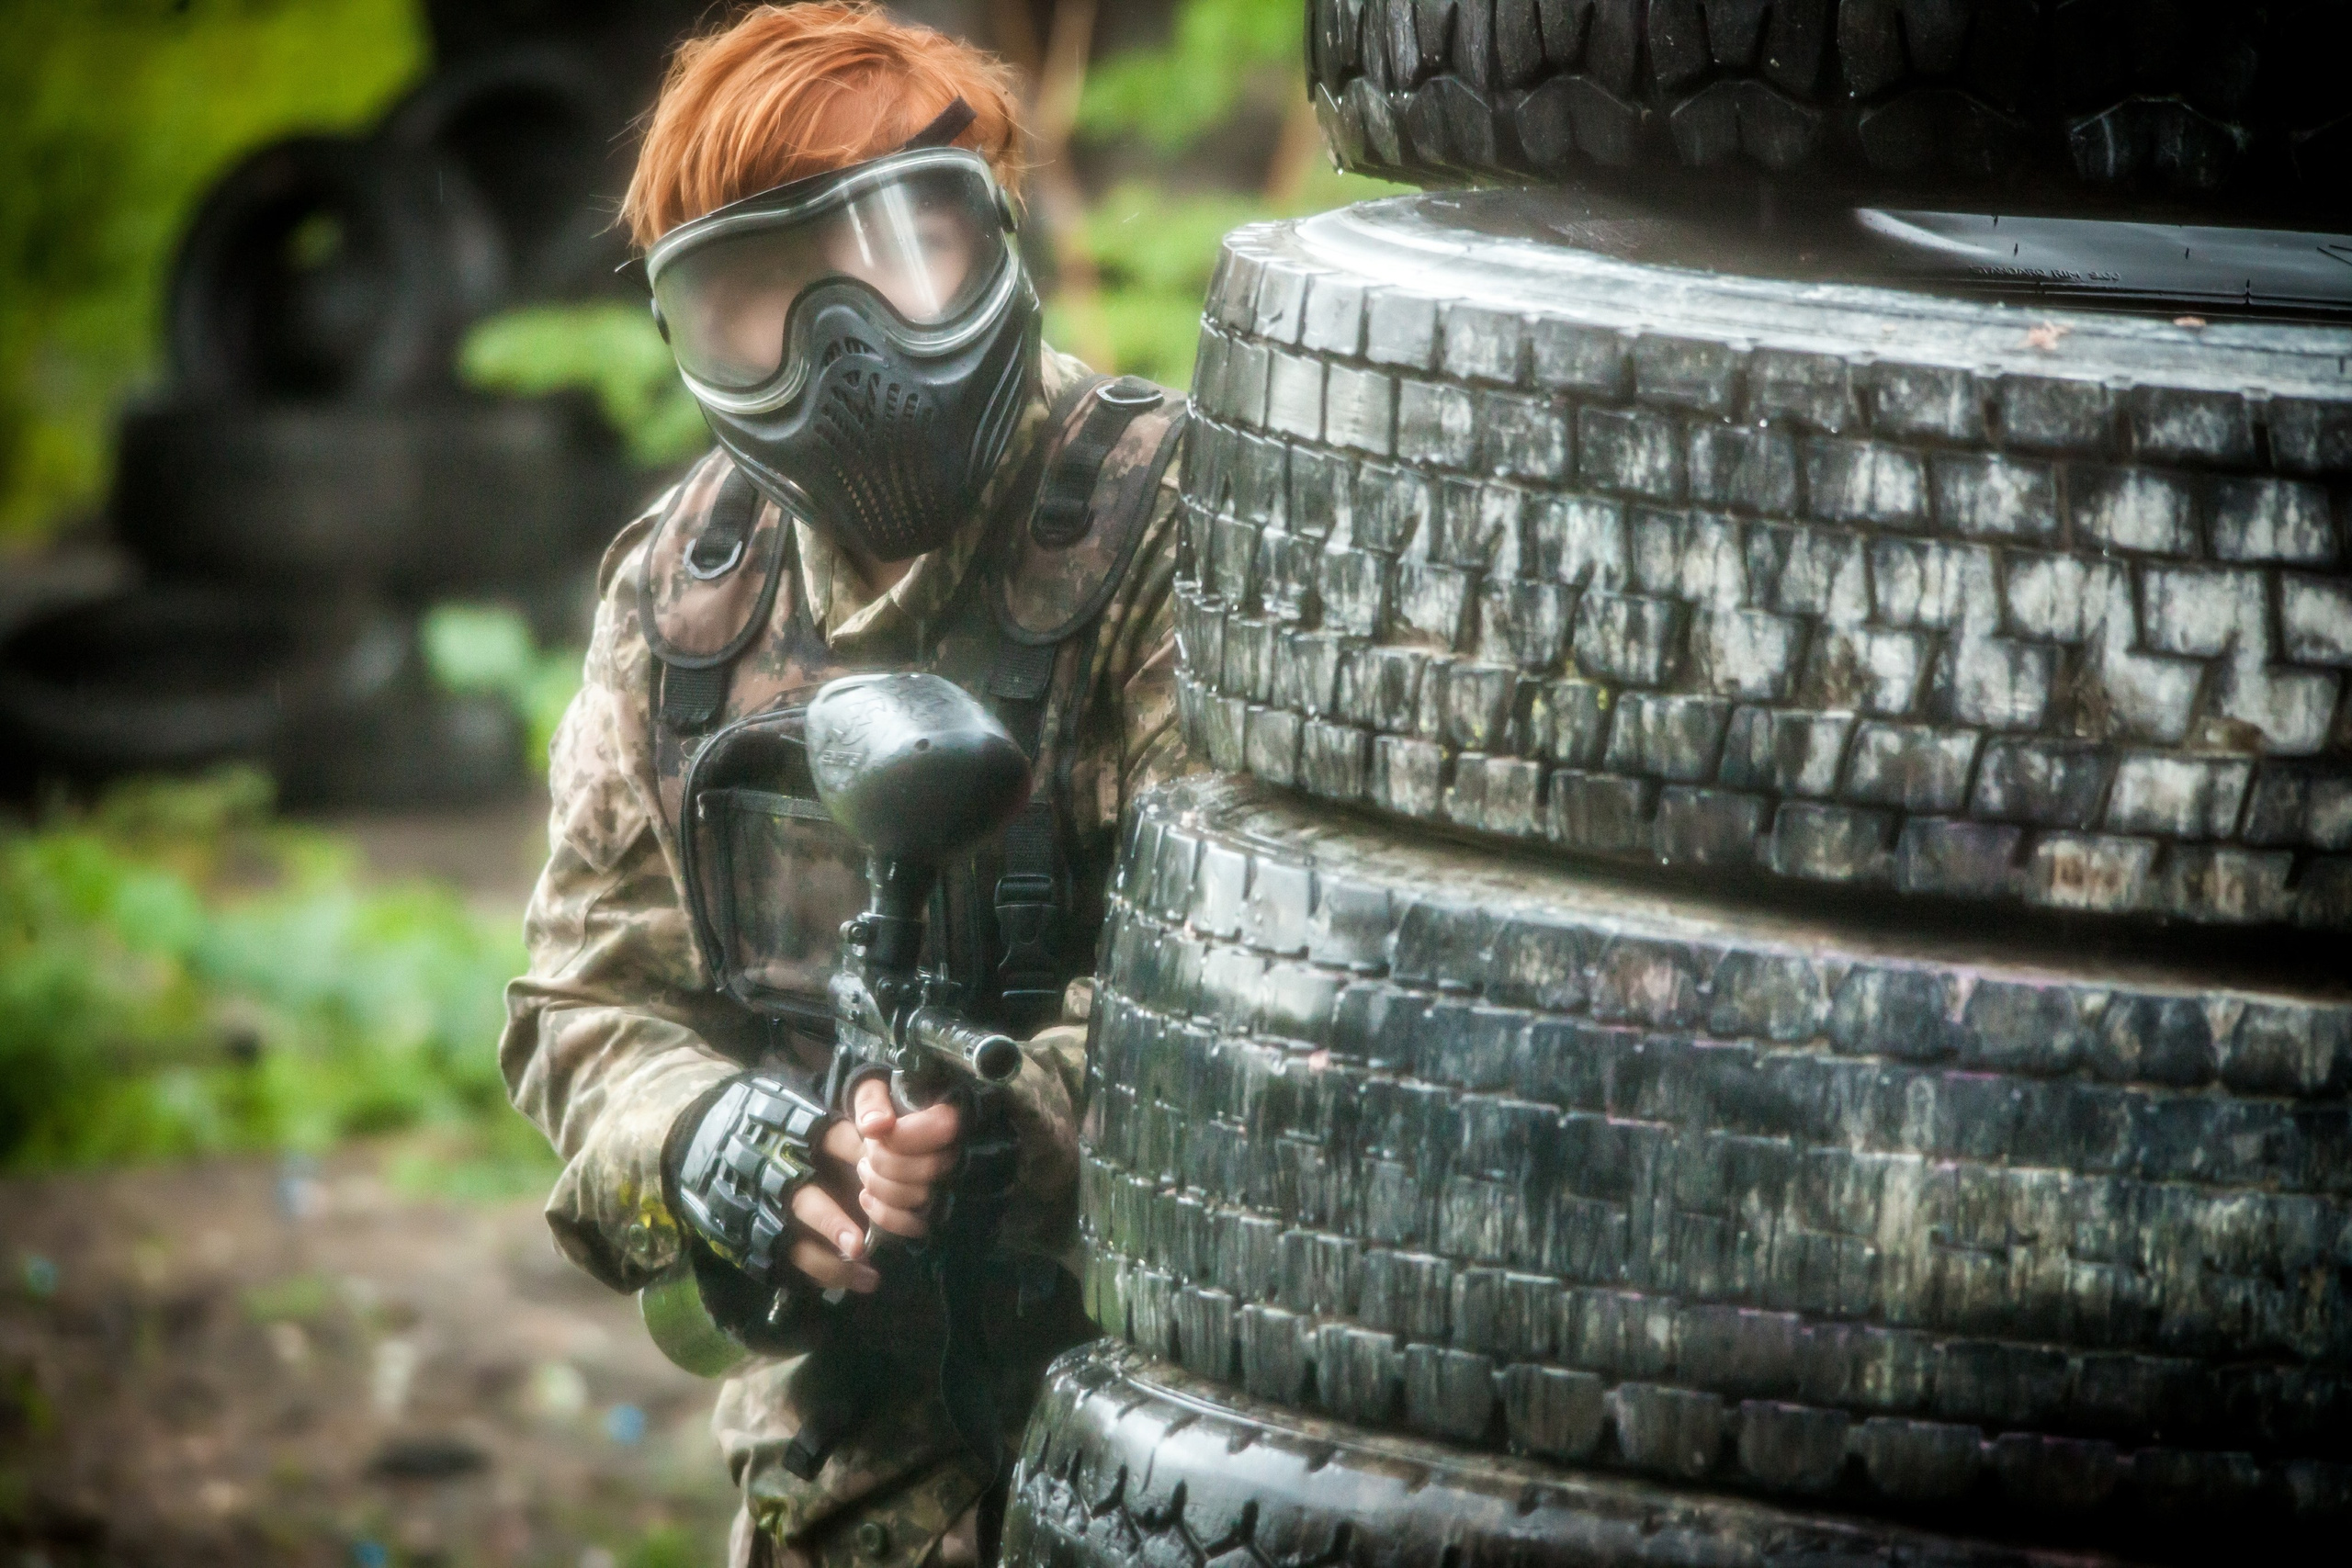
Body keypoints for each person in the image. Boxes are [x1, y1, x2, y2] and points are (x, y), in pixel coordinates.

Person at [499, 6, 1190, 1563]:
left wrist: (999, 1133)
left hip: (1167, 1433)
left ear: (991, 229)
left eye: (896, 254)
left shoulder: (1166, 534)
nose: (845, 350)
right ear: (688, 336)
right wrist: (726, 1149)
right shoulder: (687, 602)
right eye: (762, 302)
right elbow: (585, 1002)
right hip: (839, 1477)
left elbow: (1267, 1011)